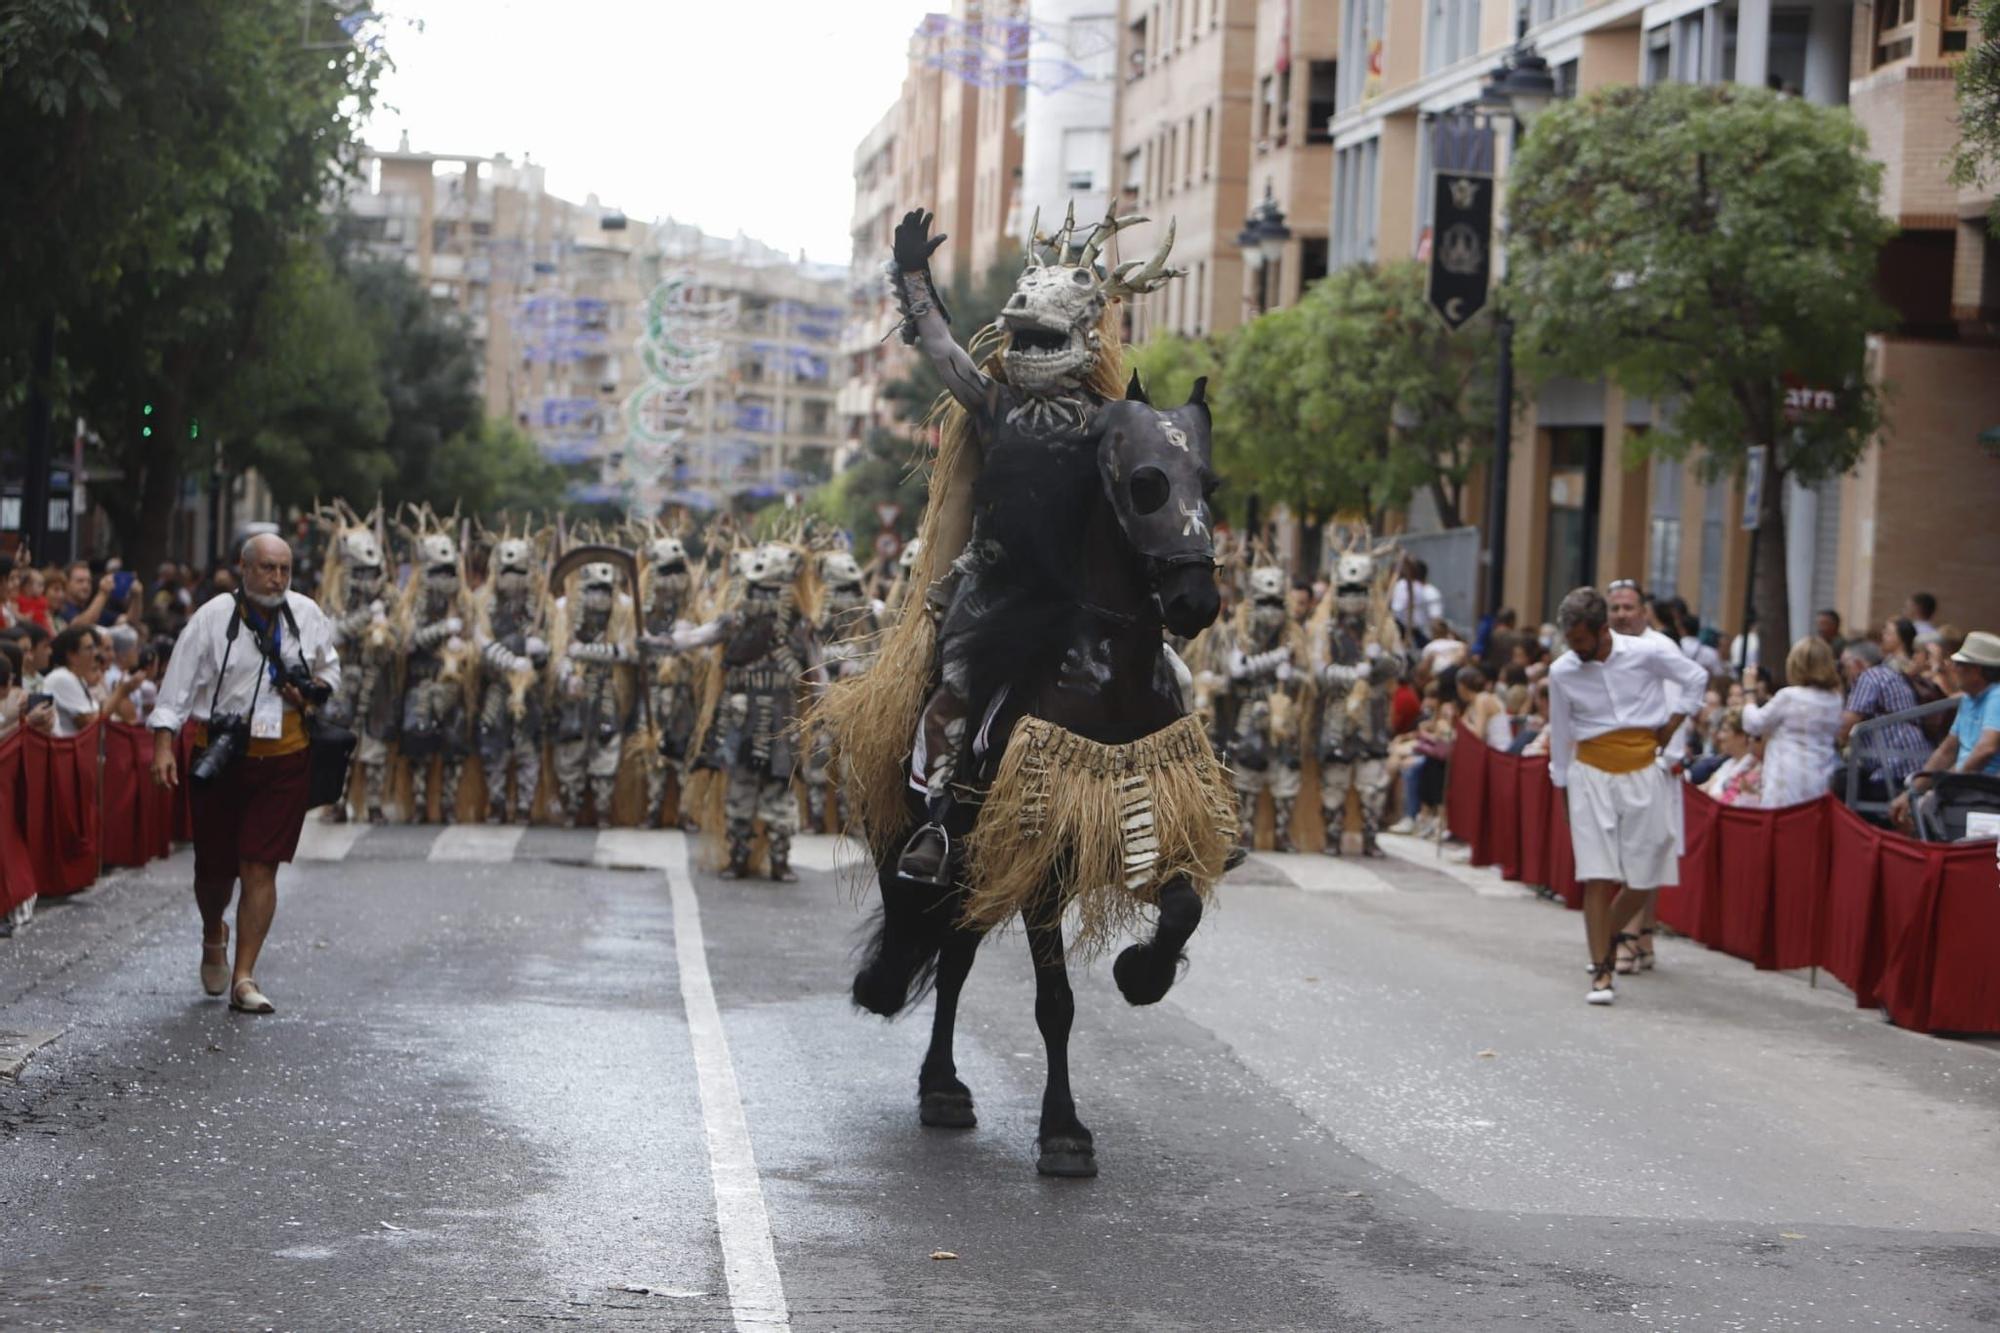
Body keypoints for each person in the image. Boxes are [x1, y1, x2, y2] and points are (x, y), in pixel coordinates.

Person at [149, 534, 339, 1016]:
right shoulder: (212, 617)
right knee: (214, 870)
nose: (276, 578)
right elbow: (177, 686)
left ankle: (244, 976)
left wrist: (311, 691)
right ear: (244, 568)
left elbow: (330, 674)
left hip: (286, 754)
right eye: (267, 568)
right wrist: (163, 745)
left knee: (261, 864)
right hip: (221, 752)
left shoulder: (307, 614)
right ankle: (215, 930)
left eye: (284, 570)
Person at [1545, 586, 1707, 1006]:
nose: (1575, 649)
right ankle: (1602, 970)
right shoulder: (1562, 671)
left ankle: (1603, 933)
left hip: (1641, 768)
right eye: (1570, 641)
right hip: (1590, 773)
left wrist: (1671, 725)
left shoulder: (1645, 652)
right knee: (1597, 873)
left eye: (1581, 640)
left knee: (1647, 871)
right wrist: (1562, 791)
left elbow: (1695, 678)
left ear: (1601, 631)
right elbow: (1561, 734)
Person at [1890, 631, 2000, 834]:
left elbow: (1986, 749)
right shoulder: (1970, 698)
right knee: (1914, 810)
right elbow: (1947, 750)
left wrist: (1947, 785)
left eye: (1959, 665)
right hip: (1969, 787)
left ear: (1976, 670)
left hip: (1987, 790)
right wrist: (1912, 791)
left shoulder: (1997, 696)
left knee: (1925, 812)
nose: (1953, 668)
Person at [1741, 638, 1843, 808]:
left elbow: (1753, 724)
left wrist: (1749, 691)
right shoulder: (1835, 700)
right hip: (1820, 776)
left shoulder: (1790, 696)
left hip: (1787, 779)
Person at [1836, 641, 1930, 803]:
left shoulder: (1870, 677)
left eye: (1844, 666)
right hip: (1911, 762)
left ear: (1857, 663)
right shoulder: (1889, 673)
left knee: (1838, 784)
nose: (1843, 673)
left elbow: (1847, 723)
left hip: (1894, 768)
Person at [42, 624, 146, 737]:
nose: (96, 653)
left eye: (95, 647)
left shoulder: (78, 679)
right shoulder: (61, 678)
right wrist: (120, 692)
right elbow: (90, 723)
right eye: (89, 648)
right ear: (72, 655)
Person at [1699, 708, 1763, 806]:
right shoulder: (1728, 764)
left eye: (1725, 731)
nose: (1720, 736)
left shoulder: (1753, 767)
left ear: (1742, 736)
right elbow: (1705, 788)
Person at [1390, 556, 1445, 646]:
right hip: (1401, 632)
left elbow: (1436, 620)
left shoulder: (1428, 591)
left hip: (1419, 636)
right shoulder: (1403, 586)